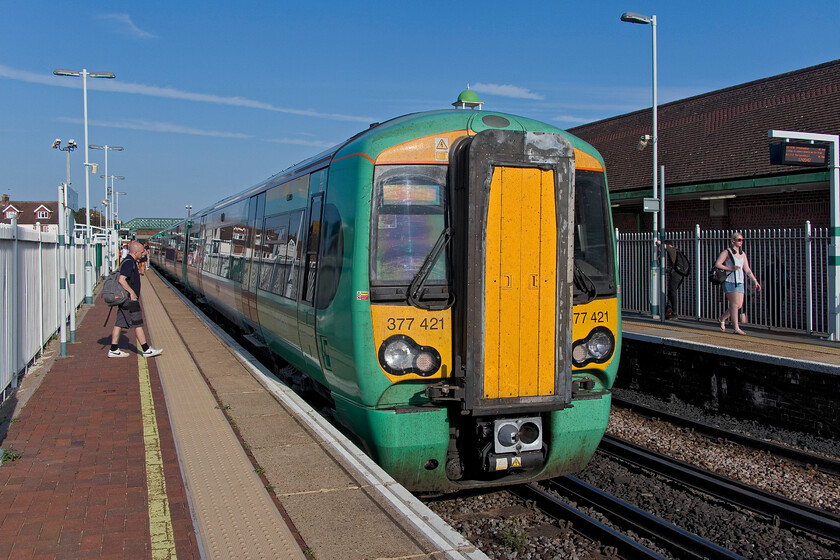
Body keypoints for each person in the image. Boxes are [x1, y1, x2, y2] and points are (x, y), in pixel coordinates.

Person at [108, 240, 163, 358]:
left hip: (125, 299)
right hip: (129, 299)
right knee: (137, 323)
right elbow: (121, 279)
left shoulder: (127, 261)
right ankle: (146, 350)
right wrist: (132, 292)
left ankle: (113, 349)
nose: (143, 254)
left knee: (119, 323)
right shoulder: (129, 262)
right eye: (142, 252)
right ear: (136, 252)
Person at [715, 232, 761, 335]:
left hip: (740, 281)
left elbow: (747, 269)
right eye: (739, 240)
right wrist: (730, 268)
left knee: (739, 305)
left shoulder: (742, 254)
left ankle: (722, 318)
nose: (741, 242)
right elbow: (718, 264)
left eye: (742, 240)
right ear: (733, 240)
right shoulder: (727, 252)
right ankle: (736, 328)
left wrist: (754, 280)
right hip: (730, 281)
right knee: (734, 304)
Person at [657, 240, 685, 320]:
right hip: (678, 274)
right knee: (670, 292)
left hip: (676, 274)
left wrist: (658, 243)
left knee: (672, 292)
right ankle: (669, 309)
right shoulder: (675, 251)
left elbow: (660, 243)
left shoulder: (671, 249)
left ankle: (674, 313)